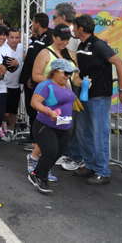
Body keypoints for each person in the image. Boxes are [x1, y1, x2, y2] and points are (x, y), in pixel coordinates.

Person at [73, 14, 122, 185]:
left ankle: (102, 171)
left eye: (74, 27)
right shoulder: (82, 45)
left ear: (81, 28)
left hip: (99, 97)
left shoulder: (99, 45)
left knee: (100, 135)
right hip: (84, 96)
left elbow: (120, 64)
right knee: (82, 132)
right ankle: (90, 164)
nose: (73, 30)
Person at [29, 23, 79, 178]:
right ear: (54, 37)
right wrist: (55, 85)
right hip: (49, 98)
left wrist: (84, 84)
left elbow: (75, 78)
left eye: (67, 39)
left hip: (67, 99)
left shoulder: (70, 54)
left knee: (57, 136)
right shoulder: (45, 53)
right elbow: (36, 75)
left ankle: (42, 164)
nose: (65, 42)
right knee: (48, 130)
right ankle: (34, 161)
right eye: (62, 39)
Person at [28, 59, 81, 193]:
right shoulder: (46, 85)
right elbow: (34, 102)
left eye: (70, 74)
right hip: (45, 125)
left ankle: (36, 173)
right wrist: (48, 111)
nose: (68, 76)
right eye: (66, 73)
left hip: (64, 128)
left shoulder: (65, 85)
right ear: (56, 71)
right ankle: (42, 179)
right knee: (50, 152)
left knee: (56, 154)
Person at [19, 13, 52, 150]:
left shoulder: (49, 37)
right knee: (31, 110)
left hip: (38, 82)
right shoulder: (36, 38)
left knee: (38, 110)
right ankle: (33, 137)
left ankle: (37, 141)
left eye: (33, 23)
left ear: (37, 23)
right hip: (31, 81)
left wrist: (34, 78)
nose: (32, 26)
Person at [1, 27, 24, 142]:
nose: (14, 40)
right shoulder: (3, 48)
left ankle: (10, 130)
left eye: (17, 37)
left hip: (15, 85)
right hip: (2, 85)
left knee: (13, 111)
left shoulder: (21, 48)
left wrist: (18, 64)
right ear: (7, 38)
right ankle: (2, 125)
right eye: (12, 37)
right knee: (3, 112)